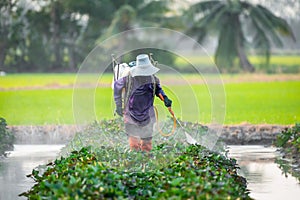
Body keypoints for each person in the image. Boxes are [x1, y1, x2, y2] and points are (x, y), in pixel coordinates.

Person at [114, 54, 172, 152]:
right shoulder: (128, 79)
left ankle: (145, 164)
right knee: (134, 145)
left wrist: (165, 98)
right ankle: (135, 163)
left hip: (148, 115)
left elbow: (159, 90)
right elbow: (116, 86)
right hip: (131, 115)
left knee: (147, 146)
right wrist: (118, 105)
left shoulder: (153, 79)